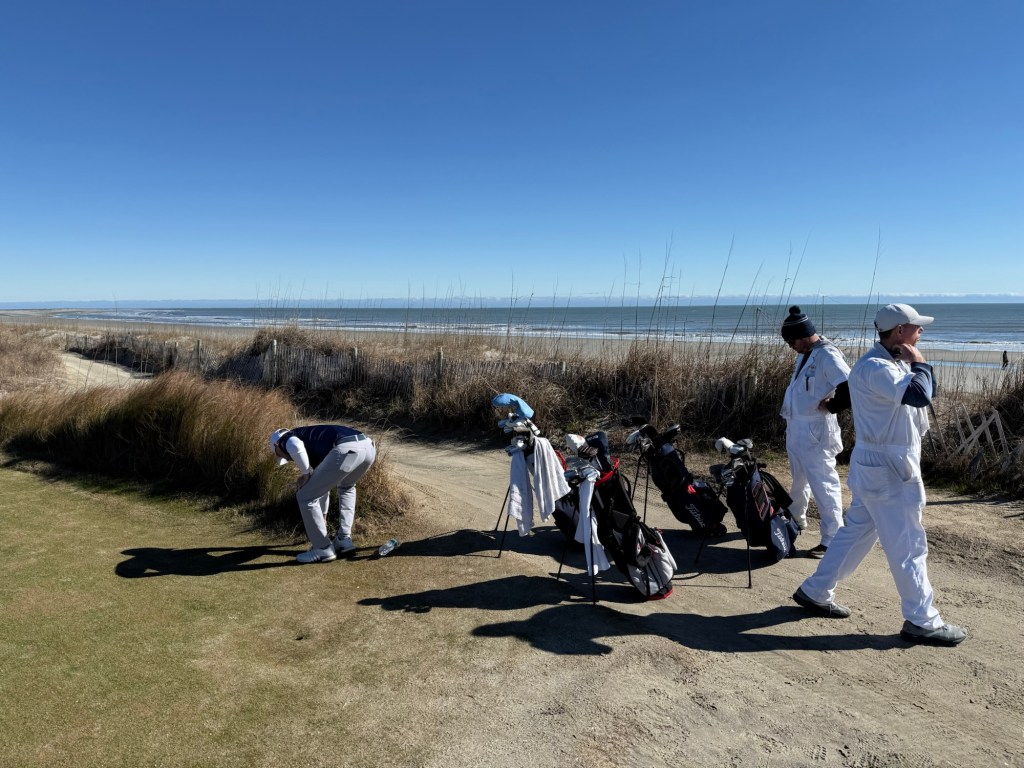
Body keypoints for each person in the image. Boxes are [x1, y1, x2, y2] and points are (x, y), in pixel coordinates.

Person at [792, 303, 967, 646]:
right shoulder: (876, 367)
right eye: (916, 327)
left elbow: (924, 390)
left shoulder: (888, 362)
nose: (921, 331)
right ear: (900, 330)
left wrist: (915, 362)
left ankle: (816, 590)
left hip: (879, 465)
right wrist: (920, 361)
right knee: (908, 544)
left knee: (855, 532)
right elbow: (919, 394)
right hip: (889, 467)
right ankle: (922, 619)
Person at [779, 306, 851, 558]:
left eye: (791, 342)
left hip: (816, 430)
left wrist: (832, 406)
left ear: (803, 336)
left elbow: (849, 387)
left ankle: (833, 538)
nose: (791, 347)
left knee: (824, 484)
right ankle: (796, 520)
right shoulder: (806, 354)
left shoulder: (827, 355)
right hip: (797, 428)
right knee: (799, 480)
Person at [270, 424, 377, 564]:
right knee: (347, 487)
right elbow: (322, 490)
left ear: (277, 445)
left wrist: (306, 474)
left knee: (304, 496)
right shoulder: (315, 445)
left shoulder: (286, 439)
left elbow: (295, 445)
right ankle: (344, 540)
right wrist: (323, 516)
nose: (287, 459)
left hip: (346, 448)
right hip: (368, 447)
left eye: (278, 454)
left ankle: (322, 548)